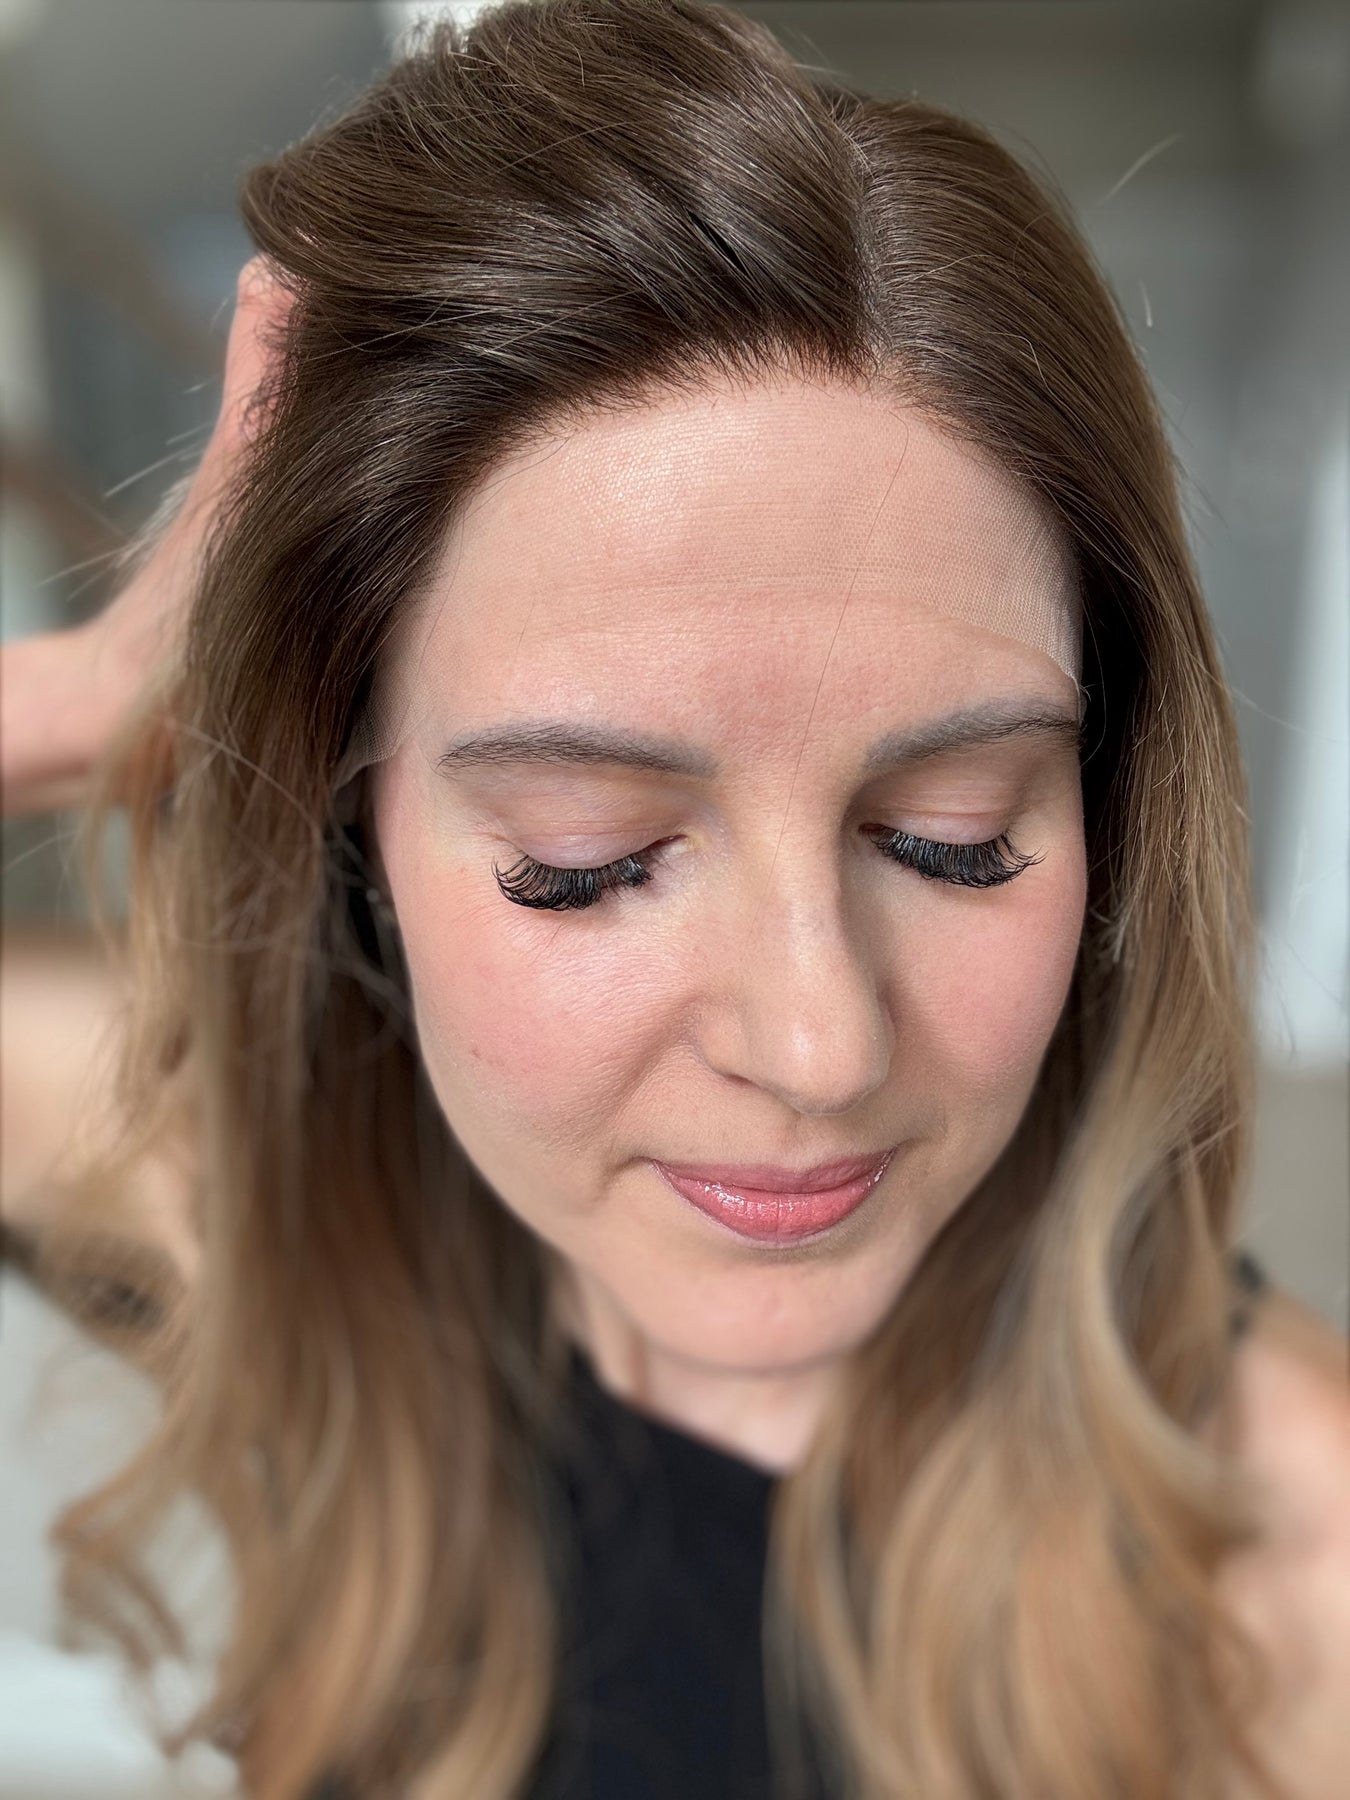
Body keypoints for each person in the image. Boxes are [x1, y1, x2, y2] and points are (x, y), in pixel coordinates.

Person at [2, 2, 1347, 1797]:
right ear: (351, 831)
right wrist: (79, 704)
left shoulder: (1300, 1564)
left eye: (951, 837)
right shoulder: (224, 1202)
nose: (817, 1045)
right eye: (589, 860)